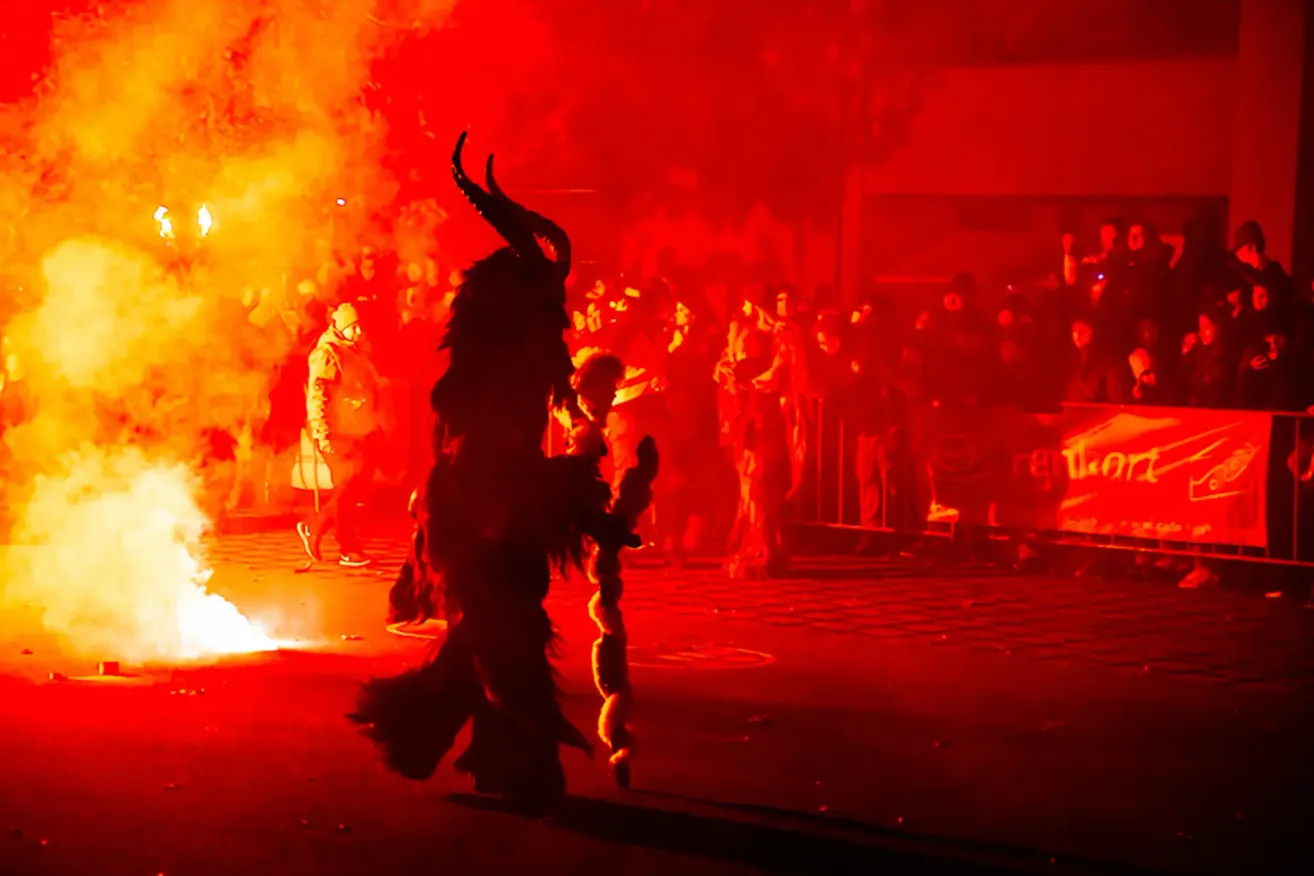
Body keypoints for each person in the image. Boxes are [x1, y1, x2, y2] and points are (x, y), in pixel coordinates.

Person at [348, 134, 656, 812]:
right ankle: (517, 766)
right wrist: (576, 495)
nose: (561, 332)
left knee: (482, 647)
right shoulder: (482, 387)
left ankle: (434, 741)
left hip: (490, 539)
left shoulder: (512, 382)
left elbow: (517, 476)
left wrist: (584, 503)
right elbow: (491, 476)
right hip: (475, 538)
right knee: (505, 648)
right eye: (551, 316)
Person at [296, 301, 384, 568]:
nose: (359, 332)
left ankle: (318, 529)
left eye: (360, 326)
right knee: (347, 488)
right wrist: (322, 433)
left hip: (361, 428)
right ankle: (345, 546)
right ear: (340, 327)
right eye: (353, 327)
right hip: (338, 432)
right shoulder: (327, 354)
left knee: (352, 489)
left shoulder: (355, 350)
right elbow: (318, 396)